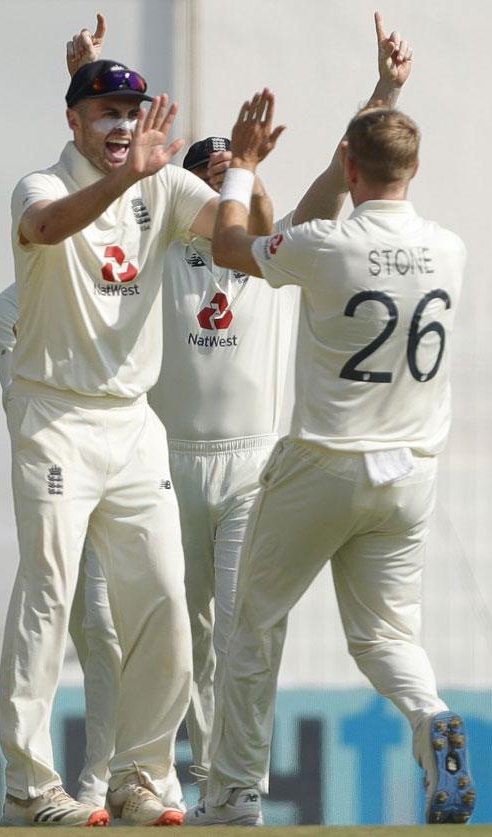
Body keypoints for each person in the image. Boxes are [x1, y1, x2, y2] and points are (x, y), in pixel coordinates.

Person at [65, 13, 418, 806]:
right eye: (217, 171)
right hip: (166, 460)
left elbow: (343, 173)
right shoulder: (160, 247)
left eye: (242, 170)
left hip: (252, 464)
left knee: (239, 630)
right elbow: (104, 183)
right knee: (180, 637)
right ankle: (187, 781)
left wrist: (387, 90)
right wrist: (88, 78)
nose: (236, 177)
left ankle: (237, 786)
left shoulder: (280, 247)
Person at [181, 89, 475, 828]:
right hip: (410, 472)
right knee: (385, 636)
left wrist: (243, 166)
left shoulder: (326, 247)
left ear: (349, 162)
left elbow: (229, 247)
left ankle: (236, 793)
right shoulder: (449, 246)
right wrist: (385, 98)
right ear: (415, 164)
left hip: (323, 463)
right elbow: (344, 197)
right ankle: (430, 714)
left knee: (251, 620)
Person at [0, 39, 220, 825]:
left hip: (133, 422)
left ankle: (141, 774)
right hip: (56, 416)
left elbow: (230, 232)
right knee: (50, 592)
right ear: (74, 117)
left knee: (163, 594)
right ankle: (31, 785)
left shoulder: (161, 181)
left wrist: (251, 171)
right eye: (105, 112)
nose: (123, 124)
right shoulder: (44, 182)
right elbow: (49, 225)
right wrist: (130, 175)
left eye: (131, 111)